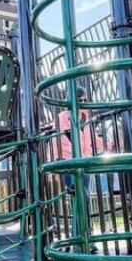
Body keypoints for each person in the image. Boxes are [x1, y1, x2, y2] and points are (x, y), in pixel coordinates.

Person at [55, 88, 107, 235]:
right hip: (68, 162)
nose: (83, 103)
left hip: (84, 162)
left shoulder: (86, 117)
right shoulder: (63, 117)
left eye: (84, 100)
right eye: (79, 100)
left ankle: (82, 235)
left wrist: (110, 144)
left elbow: (93, 140)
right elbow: (67, 139)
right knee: (80, 197)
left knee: (84, 198)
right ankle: (83, 235)